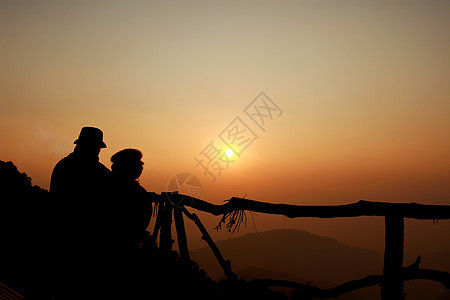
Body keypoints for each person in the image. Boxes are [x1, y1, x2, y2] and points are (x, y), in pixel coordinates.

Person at [50, 126, 111, 193]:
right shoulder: (65, 166)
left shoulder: (63, 165)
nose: (97, 150)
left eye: (98, 147)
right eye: (94, 146)